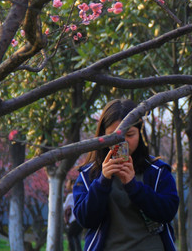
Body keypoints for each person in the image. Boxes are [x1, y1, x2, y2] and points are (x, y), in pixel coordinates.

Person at [73, 99, 179, 251]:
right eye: (112, 136)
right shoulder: (88, 174)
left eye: (129, 134)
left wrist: (133, 187)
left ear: (141, 134)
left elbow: (168, 212)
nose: (122, 142)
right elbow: (85, 220)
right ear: (102, 135)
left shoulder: (157, 171)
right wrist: (102, 182)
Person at [64, 179, 83, 251]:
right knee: (76, 235)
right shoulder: (81, 193)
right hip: (81, 218)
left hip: (74, 219)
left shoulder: (70, 195)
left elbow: (64, 207)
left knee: (70, 235)